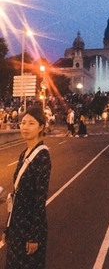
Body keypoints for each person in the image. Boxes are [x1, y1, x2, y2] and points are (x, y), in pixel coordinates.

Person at [2, 106, 51, 269]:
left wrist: (34, 236)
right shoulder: (24, 153)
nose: (25, 127)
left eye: (31, 123)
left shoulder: (42, 156)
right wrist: (8, 227)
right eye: (23, 122)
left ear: (41, 127)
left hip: (30, 227)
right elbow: (16, 194)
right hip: (17, 223)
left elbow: (39, 199)